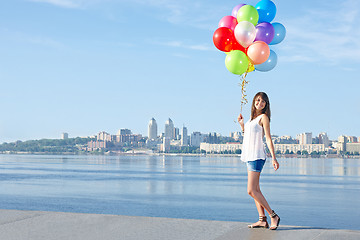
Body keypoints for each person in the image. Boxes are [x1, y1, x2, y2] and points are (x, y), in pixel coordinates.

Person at [237, 92, 281, 230]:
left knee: (251, 190)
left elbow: (268, 138)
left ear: (266, 105)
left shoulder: (264, 118)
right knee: (256, 189)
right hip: (249, 156)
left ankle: (273, 216)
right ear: (253, 102)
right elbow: (248, 136)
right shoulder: (251, 119)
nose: (259, 103)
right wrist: (242, 125)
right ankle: (262, 220)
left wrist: (274, 157)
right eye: (257, 100)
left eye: (263, 101)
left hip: (257, 156)